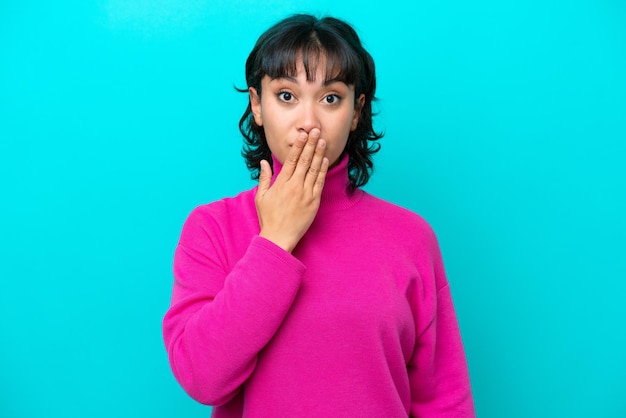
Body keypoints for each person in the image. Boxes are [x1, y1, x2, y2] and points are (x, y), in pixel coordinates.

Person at [163, 14, 475, 417]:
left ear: (357, 110)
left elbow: (444, 400)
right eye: (286, 96)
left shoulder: (411, 237)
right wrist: (275, 241)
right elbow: (202, 377)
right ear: (257, 105)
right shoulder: (212, 228)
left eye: (330, 98)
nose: (308, 123)